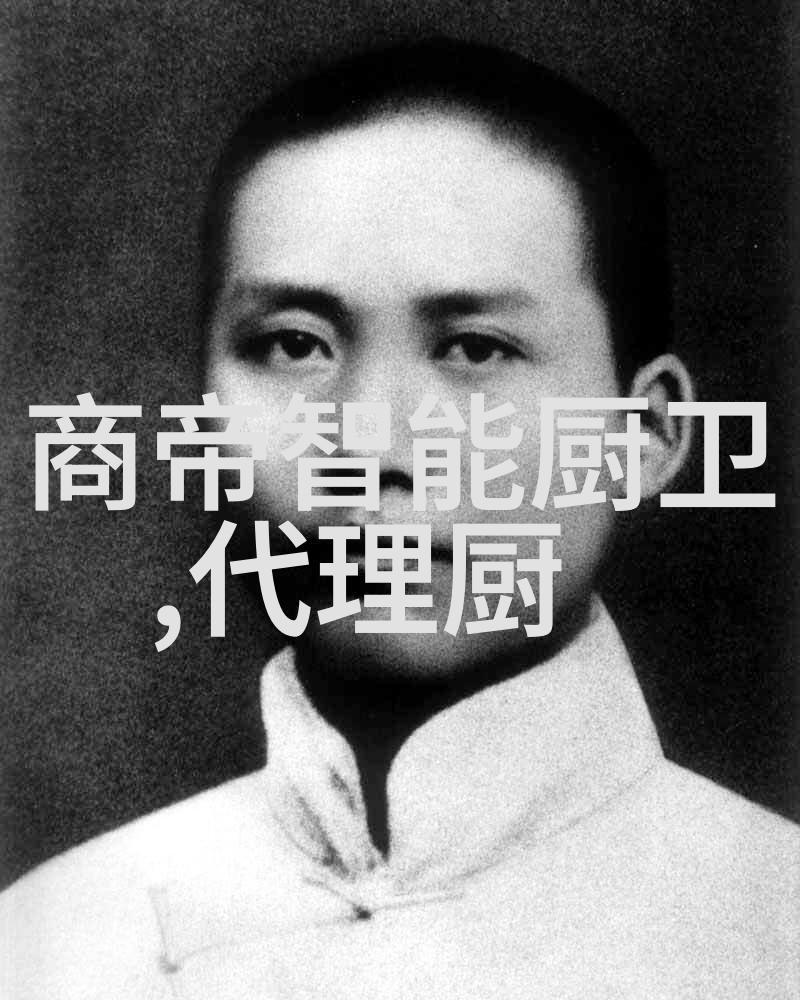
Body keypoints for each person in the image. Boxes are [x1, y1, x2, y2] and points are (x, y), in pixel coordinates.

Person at [1, 38, 796, 1000]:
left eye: (476, 349)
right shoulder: (52, 946)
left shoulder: (773, 929)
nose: (373, 446)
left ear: (643, 434)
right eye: (292, 345)